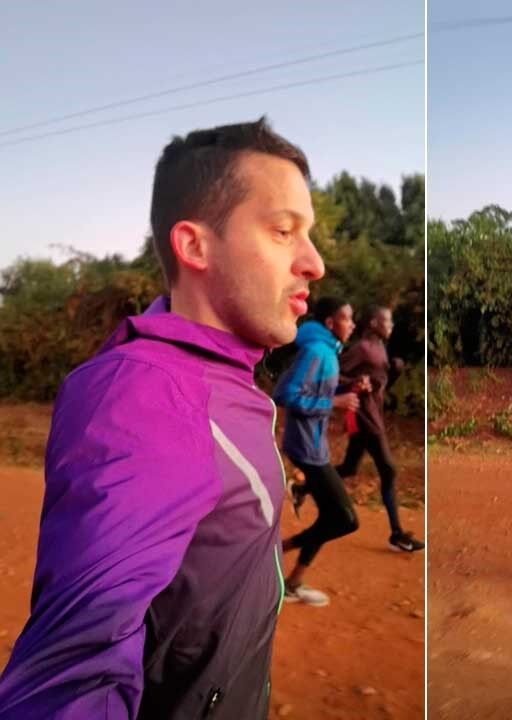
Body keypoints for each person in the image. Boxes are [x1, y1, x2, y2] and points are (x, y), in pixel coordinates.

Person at [0, 118, 322, 718]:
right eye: (284, 231)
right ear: (194, 245)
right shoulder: (147, 396)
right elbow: (74, 672)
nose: (315, 262)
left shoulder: (225, 379)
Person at [273, 297, 364, 606]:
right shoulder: (316, 351)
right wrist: (333, 404)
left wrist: (346, 390)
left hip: (315, 446)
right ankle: (275, 551)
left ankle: (293, 583)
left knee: (330, 517)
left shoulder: (328, 351)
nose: (351, 325)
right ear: (330, 323)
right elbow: (285, 394)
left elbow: (319, 389)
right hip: (306, 449)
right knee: (344, 519)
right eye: (346, 319)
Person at [336, 304, 424, 552]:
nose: (392, 325)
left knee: (349, 468)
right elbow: (331, 373)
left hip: (374, 414)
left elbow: (379, 386)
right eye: (388, 321)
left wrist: (394, 372)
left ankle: (303, 486)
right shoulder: (362, 348)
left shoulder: (379, 347)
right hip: (365, 419)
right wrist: (354, 382)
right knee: (389, 470)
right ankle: (397, 534)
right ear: (374, 323)